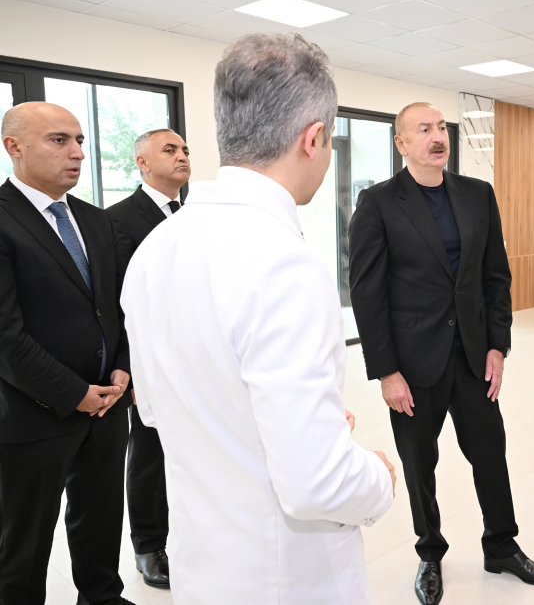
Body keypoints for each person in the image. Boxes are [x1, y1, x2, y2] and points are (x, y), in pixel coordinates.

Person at [120, 33, 396, 605]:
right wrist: (377, 476)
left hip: (204, 563)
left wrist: (298, 418)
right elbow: (316, 484)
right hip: (284, 576)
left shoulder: (154, 250)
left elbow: (155, 408)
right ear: (313, 138)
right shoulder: (285, 264)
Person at [348, 102, 534, 605]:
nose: (437, 136)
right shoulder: (378, 203)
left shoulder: (477, 194)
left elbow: (496, 276)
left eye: (441, 127)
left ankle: (502, 547)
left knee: (490, 453)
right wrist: (386, 372)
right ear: (401, 144)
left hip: (472, 356)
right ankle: (430, 553)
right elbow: (366, 293)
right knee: (419, 463)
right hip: (412, 363)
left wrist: (497, 345)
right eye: (424, 129)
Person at [0, 102, 133, 605]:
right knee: (24, 543)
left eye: (79, 140)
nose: (77, 152)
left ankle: (102, 597)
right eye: (59, 140)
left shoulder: (95, 221)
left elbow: (116, 308)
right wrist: (75, 393)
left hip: (106, 408)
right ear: (14, 147)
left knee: (101, 522)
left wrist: (122, 368)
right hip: (32, 413)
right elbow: (6, 336)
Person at [106, 128, 191, 589]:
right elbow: (115, 304)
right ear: (142, 162)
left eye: (185, 150)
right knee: (149, 454)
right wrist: (131, 370)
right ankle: (149, 545)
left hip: (196, 356)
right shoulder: (117, 221)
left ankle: (189, 533)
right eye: (170, 150)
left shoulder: (196, 215)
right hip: (148, 361)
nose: (182, 156)